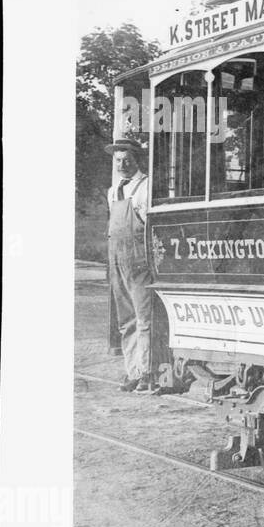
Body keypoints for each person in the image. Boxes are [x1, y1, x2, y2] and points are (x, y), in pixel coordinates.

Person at [105, 137, 156, 393]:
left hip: (138, 261)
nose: (122, 165)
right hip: (116, 261)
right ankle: (132, 372)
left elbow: (149, 228)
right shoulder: (113, 192)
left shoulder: (145, 187)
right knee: (126, 321)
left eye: (127, 160)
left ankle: (147, 372)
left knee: (143, 318)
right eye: (118, 161)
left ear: (136, 160)